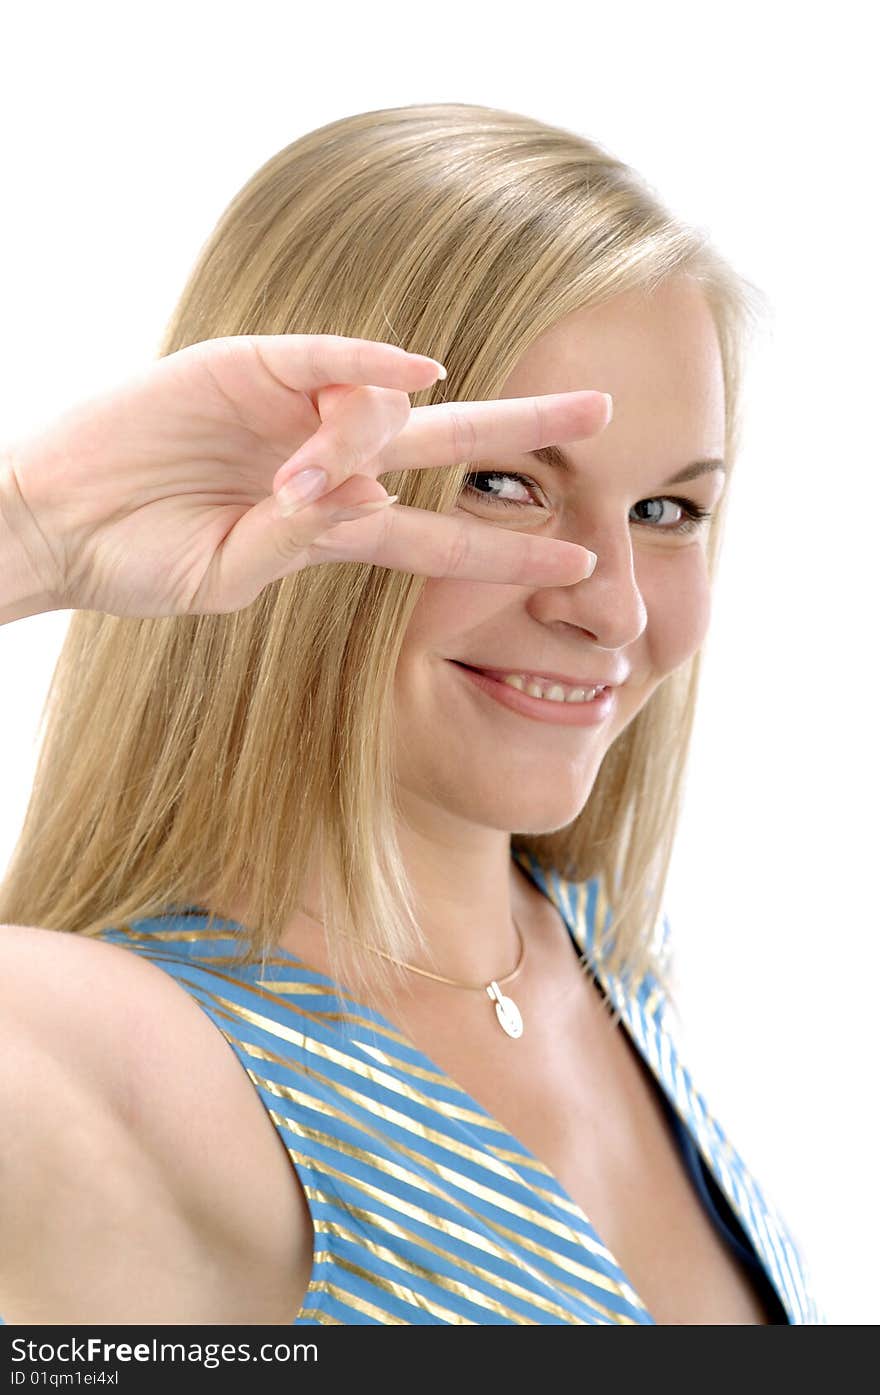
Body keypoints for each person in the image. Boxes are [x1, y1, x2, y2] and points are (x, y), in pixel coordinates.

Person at [0, 102, 824, 1326]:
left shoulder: (599, 953)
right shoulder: (95, 1048)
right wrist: (32, 529)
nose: (612, 608)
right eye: (504, 486)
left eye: (667, 511)